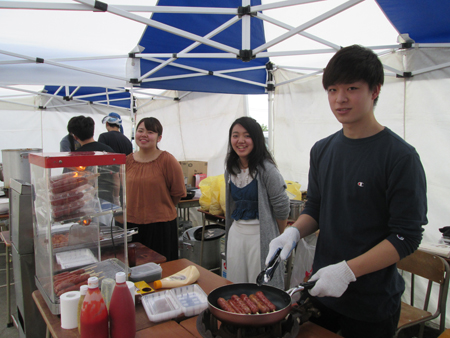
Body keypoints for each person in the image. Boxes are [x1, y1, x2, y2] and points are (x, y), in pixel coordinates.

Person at [266, 45, 427, 338]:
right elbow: (315, 207)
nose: (340, 99)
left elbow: (407, 235)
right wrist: (292, 232)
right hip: (321, 290)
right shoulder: (323, 150)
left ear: (375, 90)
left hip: (371, 303)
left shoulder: (400, 157)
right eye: (332, 89)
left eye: (351, 88)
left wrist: (348, 270)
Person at [224, 116, 290, 289]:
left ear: (257, 139)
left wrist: (276, 236)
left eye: (247, 135)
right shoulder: (230, 169)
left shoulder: (267, 170)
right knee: (237, 285)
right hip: (236, 235)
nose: (240, 141)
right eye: (235, 135)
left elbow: (282, 208)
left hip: (260, 237)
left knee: (261, 288)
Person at [126, 117, 186, 261]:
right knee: (135, 269)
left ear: (159, 138)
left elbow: (177, 193)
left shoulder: (167, 160)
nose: (144, 135)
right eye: (140, 131)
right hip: (132, 224)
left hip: (161, 226)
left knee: (162, 270)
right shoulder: (127, 161)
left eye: (150, 132)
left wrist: (161, 208)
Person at [71, 115, 119, 205]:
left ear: (75, 137)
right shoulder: (108, 150)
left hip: (85, 201)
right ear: (92, 131)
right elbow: (116, 177)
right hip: (107, 201)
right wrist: (116, 198)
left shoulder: (75, 156)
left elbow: (71, 182)